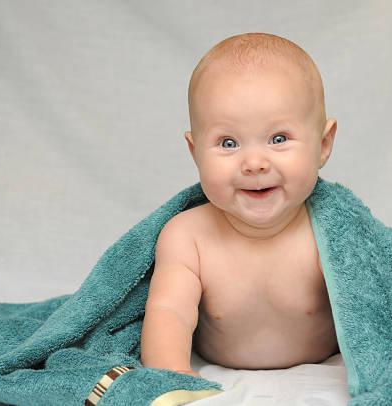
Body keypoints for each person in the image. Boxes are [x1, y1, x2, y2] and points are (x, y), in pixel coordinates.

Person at [140, 32, 339, 378]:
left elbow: (376, 299)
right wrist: (168, 373)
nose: (254, 162)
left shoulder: (333, 230)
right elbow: (169, 310)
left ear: (322, 144)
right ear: (195, 152)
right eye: (228, 142)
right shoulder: (188, 237)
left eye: (278, 139)